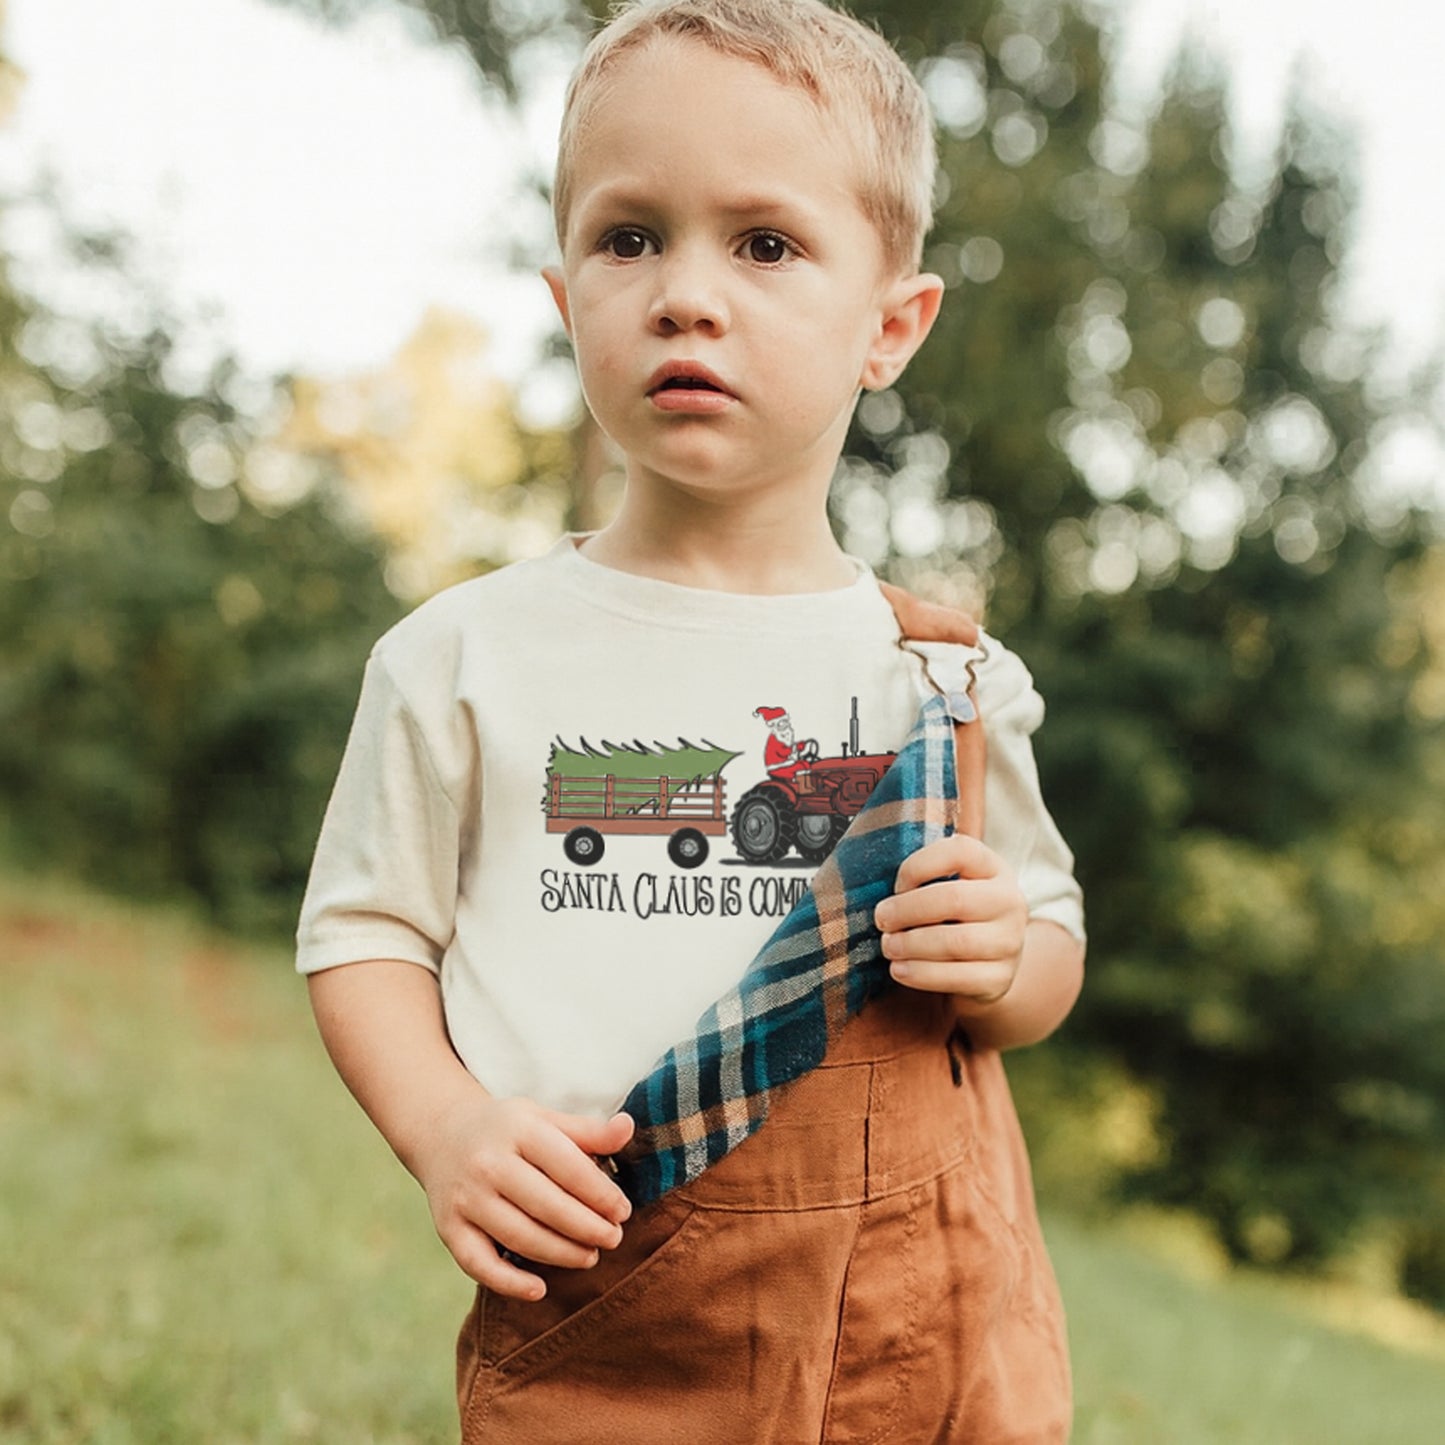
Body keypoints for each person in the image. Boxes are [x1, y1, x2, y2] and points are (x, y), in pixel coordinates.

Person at [297, 1, 1086, 1439]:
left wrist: (999, 955)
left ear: (889, 326)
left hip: (923, 1324)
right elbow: (363, 932)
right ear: (565, 301)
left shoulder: (946, 676)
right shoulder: (459, 655)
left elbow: (1044, 951)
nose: (684, 294)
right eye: (628, 237)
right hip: (611, 1308)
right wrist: (447, 1125)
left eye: (765, 245)